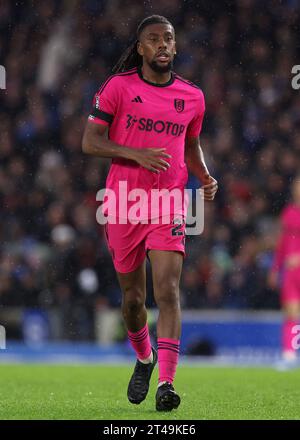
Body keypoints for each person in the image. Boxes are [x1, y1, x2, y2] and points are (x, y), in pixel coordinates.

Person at [82, 15, 218, 411]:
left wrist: (205, 176)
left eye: (168, 39)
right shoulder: (118, 88)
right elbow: (90, 141)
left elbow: (191, 144)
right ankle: (144, 357)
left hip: (168, 203)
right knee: (133, 300)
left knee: (169, 291)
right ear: (140, 48)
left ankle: (167, 384)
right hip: (124, 203)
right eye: (153, 39)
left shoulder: (193, 96)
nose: (162, 45)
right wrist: (135, 153)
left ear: (175, 47)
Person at [268, 175, 300, 369]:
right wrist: (275, 268)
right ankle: (289, 354)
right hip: (290, 272)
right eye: (297, 185)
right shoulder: (288, 212)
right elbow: (282, 244)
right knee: (290, 314)